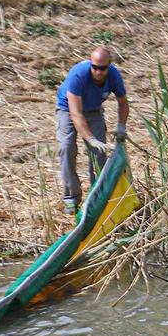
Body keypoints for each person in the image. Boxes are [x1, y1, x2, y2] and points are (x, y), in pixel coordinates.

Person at [55, 45, 129, 213]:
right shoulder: (78, 75)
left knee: (98, 154)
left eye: (102, 68)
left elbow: (123, 102)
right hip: (68, 109)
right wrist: (90, 139)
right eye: (94, 67)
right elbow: (75, 114)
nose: (98, 71)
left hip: (94, 110)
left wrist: (121, 127)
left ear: (109, 65)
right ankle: (71, 198)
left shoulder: (114, 76)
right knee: (67, 147)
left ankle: (98, 195)